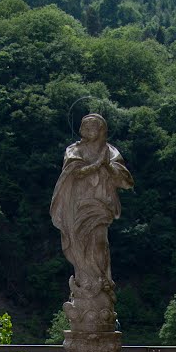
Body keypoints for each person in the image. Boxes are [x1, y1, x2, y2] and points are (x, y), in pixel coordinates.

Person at [50, 114, 133, 304]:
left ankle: (102, 282)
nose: (87, 130)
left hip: (100, 205)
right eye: (84, 126)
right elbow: (74, 172)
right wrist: (97, 165)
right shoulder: (75, 150)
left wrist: (108, 166)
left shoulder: (110, 151)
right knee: (80, 245)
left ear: (102, 130)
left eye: (92, 127)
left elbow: (126, 182)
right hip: (79, 205)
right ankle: (86, 285)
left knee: (100, 242)